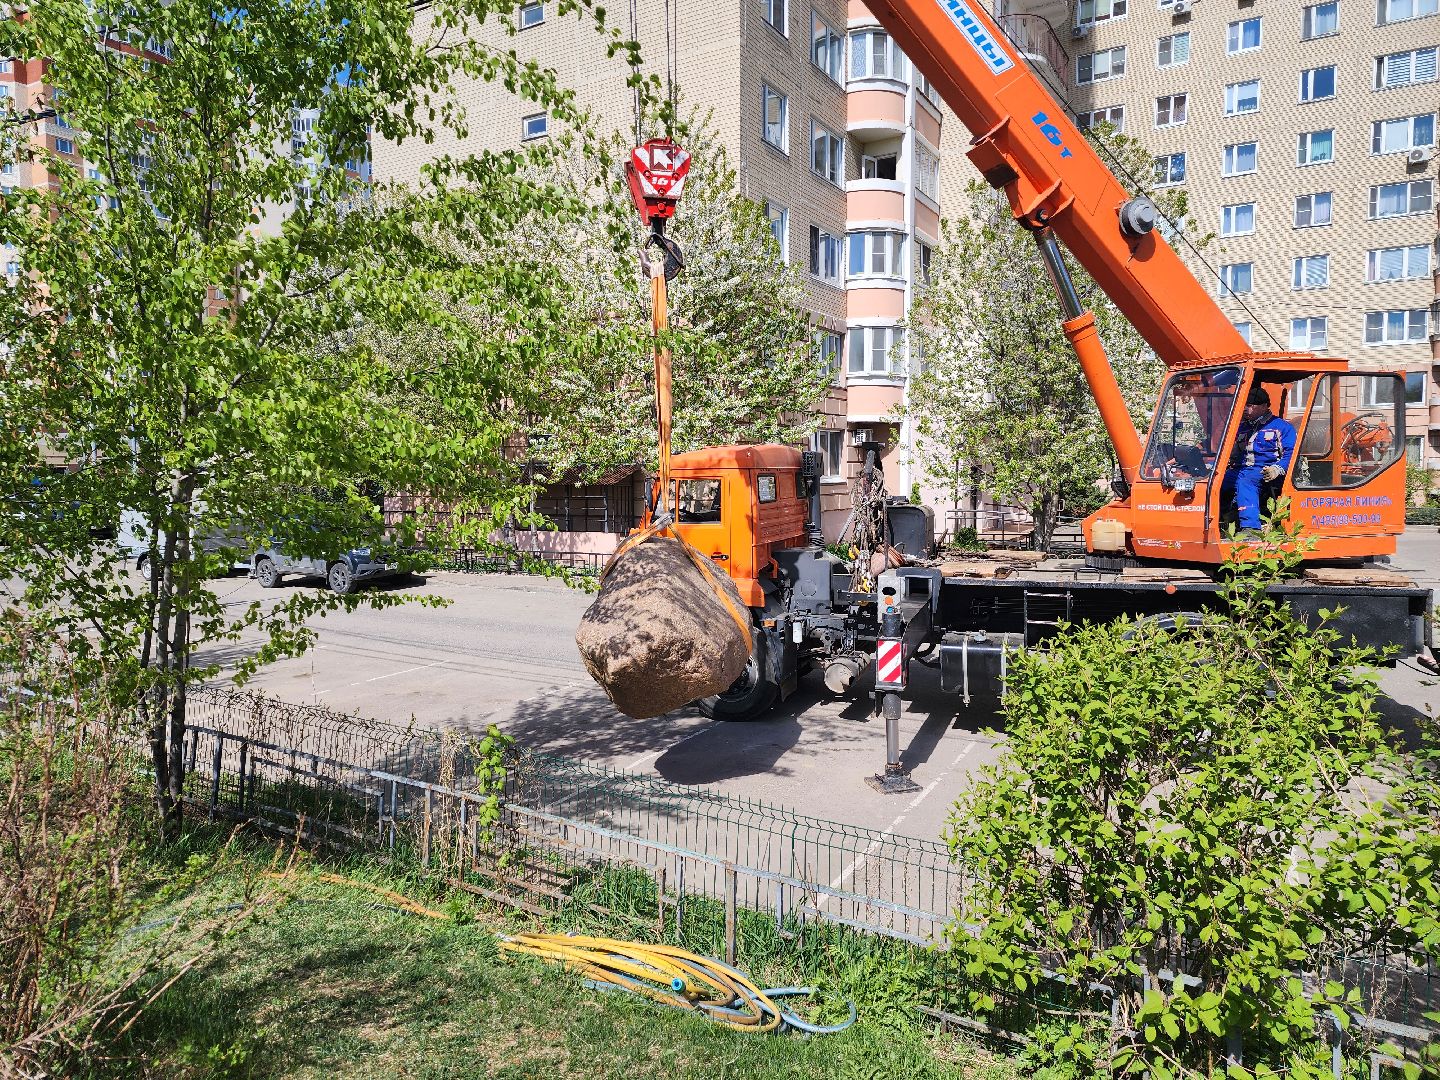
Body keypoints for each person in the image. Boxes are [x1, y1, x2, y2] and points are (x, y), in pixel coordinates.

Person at [1221, 384, 1296, 534]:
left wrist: (1277, 469)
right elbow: (1231, 449)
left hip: (1264, 470)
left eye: (1249, 405)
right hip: (1241, 468)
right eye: (1244, 405)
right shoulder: (1242, 427)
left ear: (1263, 406)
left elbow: (1292, 453)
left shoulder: (1281, 427)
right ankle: (1223, 520)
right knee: (1217, 481)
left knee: (1246, 481)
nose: (1245, 409)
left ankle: (1251, 528)